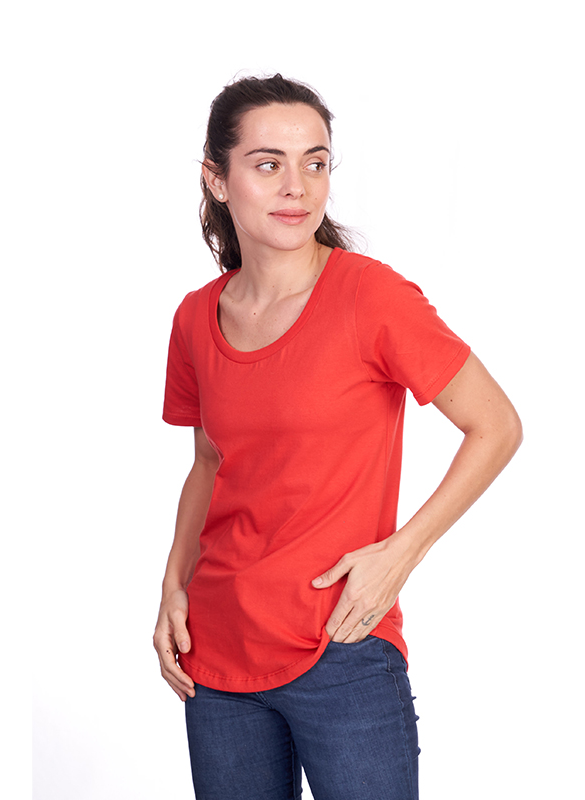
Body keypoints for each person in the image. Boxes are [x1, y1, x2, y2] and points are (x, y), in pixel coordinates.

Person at [154, 73, 522, 800]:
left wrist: (399, 556)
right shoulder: (195, 317)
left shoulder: (371, 297)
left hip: (343, 642)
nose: (297, 186)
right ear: (216, 179)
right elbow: (208, 461)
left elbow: (496, 425)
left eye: (315, 162)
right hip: (218, 653)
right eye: (268, 164)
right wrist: (172, 584)